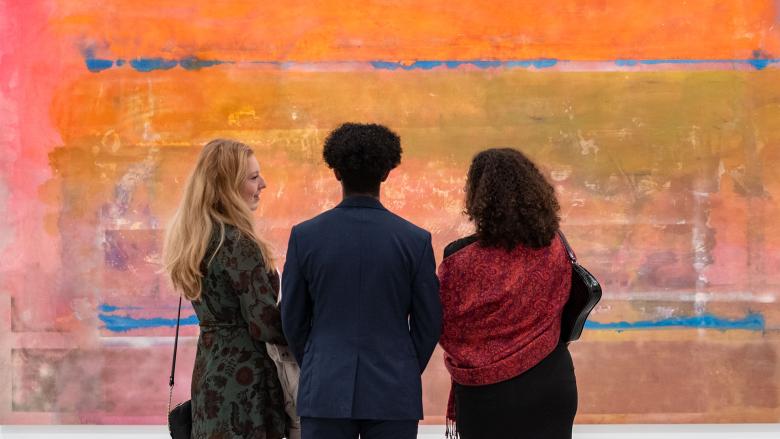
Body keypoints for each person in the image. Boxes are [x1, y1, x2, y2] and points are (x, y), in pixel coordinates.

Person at [281, 123, 442, 439]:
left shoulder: (305, 237)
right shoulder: (415, 241)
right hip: (394, 392)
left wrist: (318, 362)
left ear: (336, 173)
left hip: (324, 388)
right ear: (386, 173)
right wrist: (404, 367)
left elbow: (292, 319)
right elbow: (429, 324)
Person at [438, 148, 577, 439]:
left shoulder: (459, 257)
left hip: (485, 393)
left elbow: (445, 324)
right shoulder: (554, 247)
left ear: (478, 197)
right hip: (550, 380)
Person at [163, 139, 288, 439]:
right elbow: (264, 324)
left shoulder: (196, 240)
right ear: (227, 187)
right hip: (245, 387)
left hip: (209, 376)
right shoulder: (238, 243)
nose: (263, 184)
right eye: (253, 177)